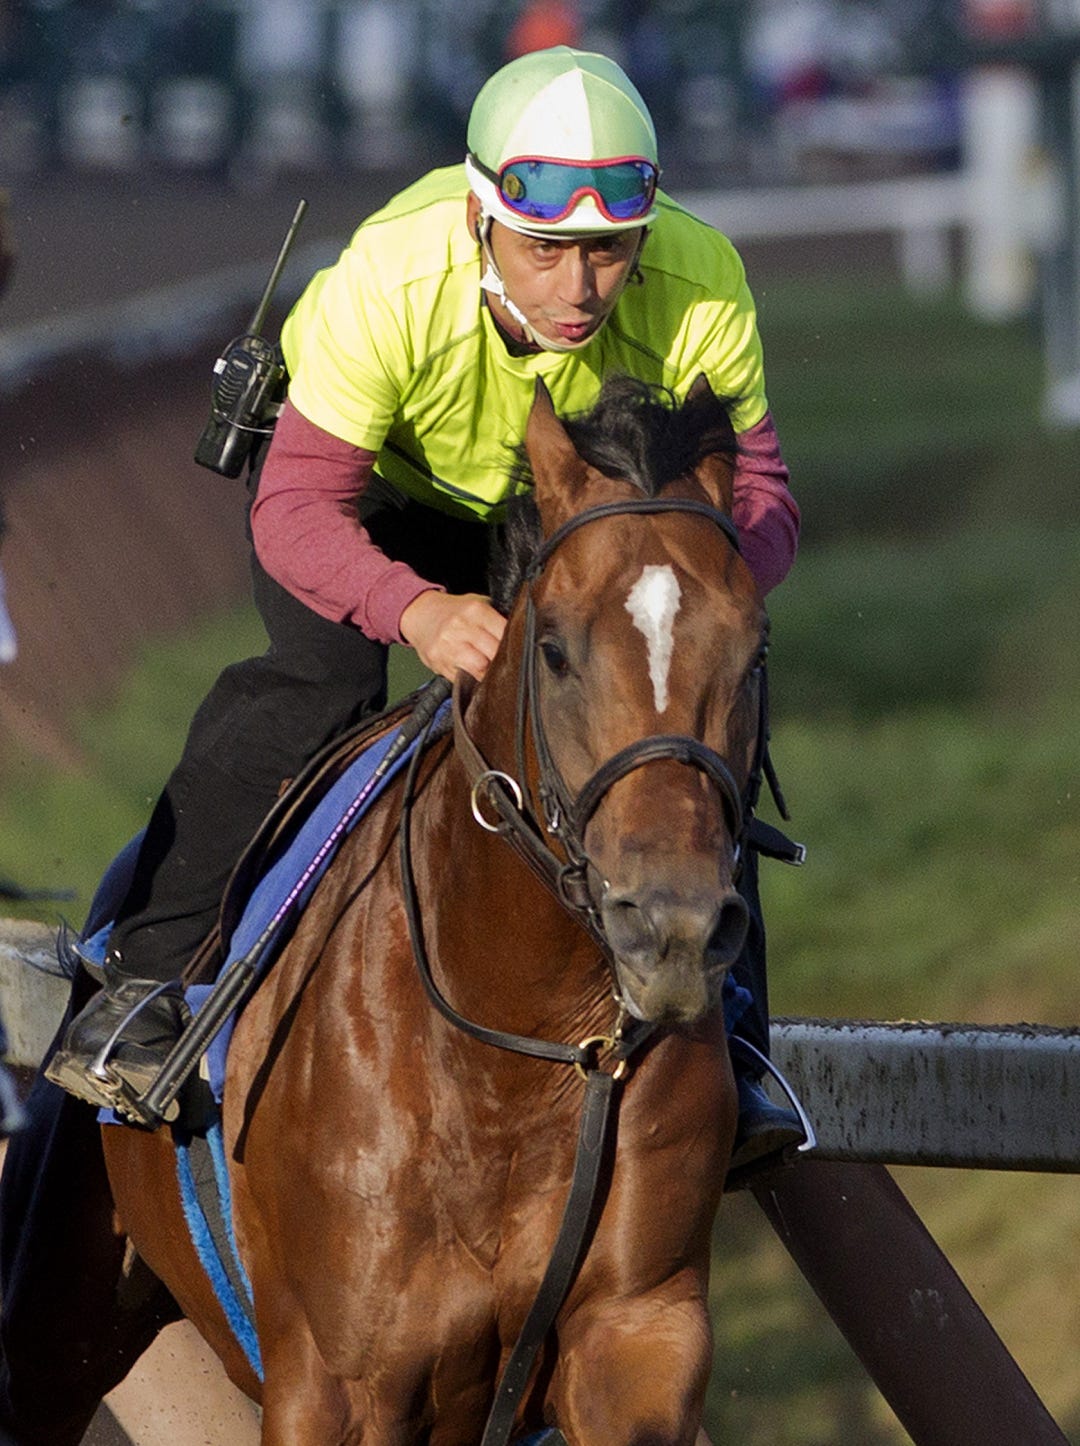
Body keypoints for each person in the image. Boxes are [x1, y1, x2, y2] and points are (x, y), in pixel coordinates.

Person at [46, 45, 803, 1172]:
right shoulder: (390, 281)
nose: (581, 289)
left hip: (570, 521)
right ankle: (144, 984)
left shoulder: (703, 276)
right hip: (375, 501)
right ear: (481, 220)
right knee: (317, 685)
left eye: (609, 252)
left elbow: (765, 499)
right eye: (545, 249)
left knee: (686, 699)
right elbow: (295, 512)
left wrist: (702, 596)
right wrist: (416, 613)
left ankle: (731, 1038)